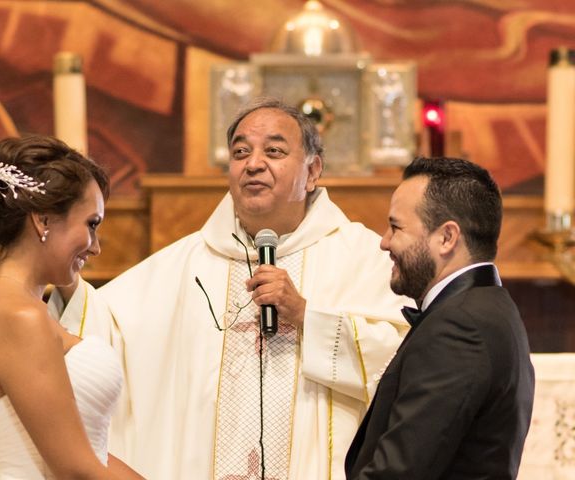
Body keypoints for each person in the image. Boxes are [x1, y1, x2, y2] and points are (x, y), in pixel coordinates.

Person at [51, 97, 410, 480]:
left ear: (312, 171)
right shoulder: (186, 262)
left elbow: (404, 360)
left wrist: (309, 318)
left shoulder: (361, 257)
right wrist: (56, 274)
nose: (253, 163)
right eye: (240, 152)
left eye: (274, 151)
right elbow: (105, 328)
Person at [0, 135, 143, 479]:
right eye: (91, 225)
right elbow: (77, 469)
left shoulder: (10, 306)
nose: (96, 248)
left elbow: (88, 454)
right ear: (43, 221)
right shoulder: (19, 317)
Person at [345, 157, 535, 479]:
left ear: (446, 238)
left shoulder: (460, 327)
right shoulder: (489, 306)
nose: (384, 241)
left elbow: (400, 472)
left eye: (396, 227)